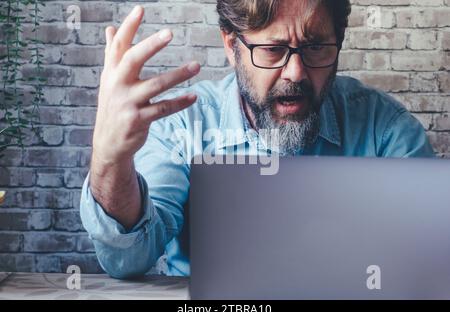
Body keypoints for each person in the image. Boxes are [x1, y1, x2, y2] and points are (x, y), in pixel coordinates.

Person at [80, 0, 435, 279]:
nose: (295, 72)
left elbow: (427, 264)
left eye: (315, 48)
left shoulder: (386, 131)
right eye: (272, 50)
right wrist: (111, 161)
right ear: (231, 44)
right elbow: (129, 259)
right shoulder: (184, 127)